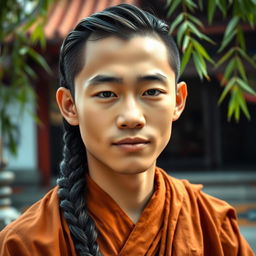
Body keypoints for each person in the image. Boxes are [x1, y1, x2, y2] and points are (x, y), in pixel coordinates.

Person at [0, 4, 254, 256]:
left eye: (152, 92)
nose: (132, 117)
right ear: (70, 106)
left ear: (178, 101)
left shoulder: (214, 225)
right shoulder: (25, 244)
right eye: (106, 93)